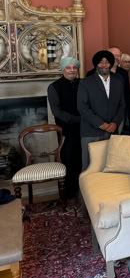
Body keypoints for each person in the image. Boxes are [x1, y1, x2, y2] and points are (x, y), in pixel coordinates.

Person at [77, 50, 125, 170]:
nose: (104, 65)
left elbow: (122, 105)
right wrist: (101, 124)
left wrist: (115, 123)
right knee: (89, 167)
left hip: (112, 131)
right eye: (100, 62)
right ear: (96, 64)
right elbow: (82, 108)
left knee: (111, 166)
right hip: (91, 132)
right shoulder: (85, 83)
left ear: (111, 64)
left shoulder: (118, 82)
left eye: (107, 62)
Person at [47, 57, 82, 196]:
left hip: (85, 129)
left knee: (84, 159)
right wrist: (79, 119)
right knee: (69, 159)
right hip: (67, 130)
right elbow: (57, 111)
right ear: (63, 69)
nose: (72, 70)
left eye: (74, 67)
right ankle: (70, 193)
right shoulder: (54, 87)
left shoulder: (83, 83)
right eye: (68, 67)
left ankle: (84, 190)